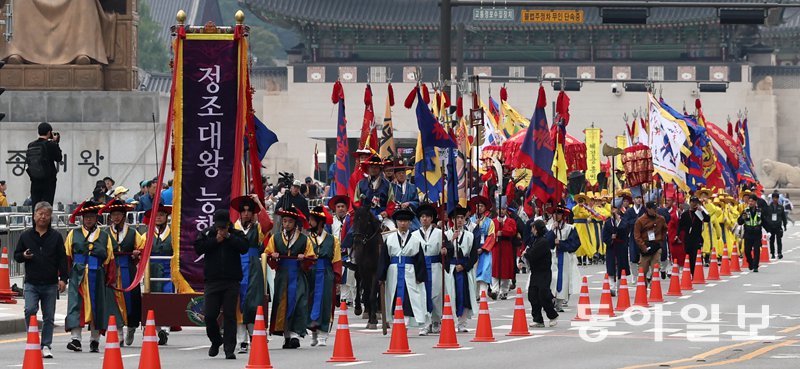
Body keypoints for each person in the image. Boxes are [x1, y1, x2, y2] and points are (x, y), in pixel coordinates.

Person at [64, 200, 121, 353]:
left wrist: (111, 278)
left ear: (97, 218)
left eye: (91, 217)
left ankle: (94, 340)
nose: (88, 219)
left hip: (98, 275)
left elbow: (109, 259)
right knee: (76, 305)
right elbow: (67, 257)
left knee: (98, 307)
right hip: (78, 275)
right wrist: (64, 277)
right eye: (86, 217)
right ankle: (75, 339)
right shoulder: (73, 234)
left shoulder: (104, 236)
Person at [13, 202, 68, 359]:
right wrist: (24, 255)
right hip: (31, 282)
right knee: (30, 310)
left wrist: (63, 278)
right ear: (34, 215)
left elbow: (62, 259)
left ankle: (46, 345)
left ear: (50, 217)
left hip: (50, 283)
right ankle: (32, 339)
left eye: (46, 214)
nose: (43, 217)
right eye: (40, 213)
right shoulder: (25, 236)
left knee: (48, 316)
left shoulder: (56, 237)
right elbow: (16, 256)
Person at [194, 209, 249, 359]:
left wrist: (229, 237)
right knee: (210, 315)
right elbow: (198, 248)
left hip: (231, 281)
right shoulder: (207, 233)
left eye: (223, 227)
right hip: (212, 281)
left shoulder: (236, 233)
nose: (221, 230)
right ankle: (216, 340)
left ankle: (229, 348)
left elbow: (244, 247)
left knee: (230, 315)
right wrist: (215, 241)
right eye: (218, 227)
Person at [264, 206, 316, 349]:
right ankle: (287, 336)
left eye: (290, 222)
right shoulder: (275, 238)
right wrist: (273, 256)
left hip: (298, 274)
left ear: (295, 224)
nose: (286, 224)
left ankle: (295, 335)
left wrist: (304, 258)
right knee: (283, 305)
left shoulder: (304, 239)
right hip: (282, 276)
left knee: (299, 303)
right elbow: (268, 255)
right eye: (284, 221)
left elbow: (311, 258)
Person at [231, 195, 272, 354]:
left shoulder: (258, 228)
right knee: (238, 303)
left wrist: (258, 203)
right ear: (240, 213)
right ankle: (242, 340)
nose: (246, 214)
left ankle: (254, 335)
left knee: (253, 302)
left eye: (249, 211)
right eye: (243, 211)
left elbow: (268, 224)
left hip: (254, 267)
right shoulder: (233, 228)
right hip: (237, 266)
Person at [102, 199, 144, 347]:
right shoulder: (105, 233)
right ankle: (118, 333)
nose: (116, 217)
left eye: (119, 214)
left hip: (128, 269)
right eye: (114, 214)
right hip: (112, 269)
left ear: (124, 216)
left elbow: (142, 248)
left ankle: (131, 327)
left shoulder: (133, 232)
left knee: (131, 299)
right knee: (113, 300)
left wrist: (136, 253)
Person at [377, 208, 427, 330]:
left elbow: (419, 259)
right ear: (396, 223)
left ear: (410, 223)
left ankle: (406, 321)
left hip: (409, 271)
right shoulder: (389, 239)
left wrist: (420, 275)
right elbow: (384, 258)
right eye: (400, 221)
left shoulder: (415, 240)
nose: (403, 224)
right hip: (393, 271)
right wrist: (381, 275)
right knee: (393, 294)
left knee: (408, 296)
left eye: (405, 221)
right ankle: (395, 320)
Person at [306, 205, 342, 347]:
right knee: (310, 301)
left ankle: (323, 335)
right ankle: (313, 333)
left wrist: (337, 279)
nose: (309, 223)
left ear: (320, 222)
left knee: (327, 302)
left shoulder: (333, 240)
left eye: (312, 220)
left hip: (326, 272)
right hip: (311, 272)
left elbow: (337, 259)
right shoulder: (307, 239)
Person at [443, 206, 478, 333]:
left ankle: (462, 322)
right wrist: (451, 241)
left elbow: (473, 255)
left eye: (462, 218)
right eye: (457, 218)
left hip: (464, 268)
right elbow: (444, 254)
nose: (459, 220)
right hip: (451, 268)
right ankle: (451, 320)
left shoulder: (470, 236)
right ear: (452, 220)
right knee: (451, 294)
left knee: (464, 294)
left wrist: (464, 266)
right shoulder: (446, 234)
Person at [143, 203, 173, 344]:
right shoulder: (147, 234)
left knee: (167, 297)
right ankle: (158, 328)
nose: (159, 218)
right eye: (157, 215)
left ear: (166, 217)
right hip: (151, 270)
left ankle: (165, 329)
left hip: (168, 271)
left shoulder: (173, 233)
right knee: (152, 299)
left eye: (161, 215)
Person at [415, 203, 446, 336]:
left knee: (436, 295)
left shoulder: (439, 233)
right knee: (423, 294)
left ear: (432, 218)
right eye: (422, 217)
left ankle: (436, 320)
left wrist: (444, 251)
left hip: (435, 265)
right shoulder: (415, 234)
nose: (425, 219)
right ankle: (425, 322)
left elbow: (447, 247)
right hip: (422, 266)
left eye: (427, 217)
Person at [525, 219, 558, 328]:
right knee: (532, 295)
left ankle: (552, 315)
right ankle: (538, 319)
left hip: (543, 273)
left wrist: (526, 253)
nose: (532, 230)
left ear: (537, 229)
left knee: (543, 295)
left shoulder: (543, 242)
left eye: (533, 227)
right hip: (535, 272)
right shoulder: (536, 240)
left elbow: (532, 254)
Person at [547, 205, 581, 312]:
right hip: (551, 256)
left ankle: (559, 302)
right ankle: (550, 298)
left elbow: (575, 243)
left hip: (564, 256)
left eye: (559, 214)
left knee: (563, 279)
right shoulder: (549, 228)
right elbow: (544, 241)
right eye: (555, 214)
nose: (556, 216)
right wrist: (552, 232)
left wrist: (560, 243)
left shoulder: (570, 228)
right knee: (551, 278)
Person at [27, 122, 62, 208]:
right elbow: (58, 158)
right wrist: (56, 143)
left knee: (35, 208)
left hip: (34, 181)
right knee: (47, 208)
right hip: (48, 182)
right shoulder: (51, 145)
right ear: (49, 132)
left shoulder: (31, 145)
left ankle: (35, 221)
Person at [328, 195, 355, 305]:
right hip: (335, 252)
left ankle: (348, 298)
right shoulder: (331, 222)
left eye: (343, 206)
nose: (340, 209)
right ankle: (337, 297)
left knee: (350, 276)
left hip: (348, 252)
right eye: (338, 206)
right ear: (335, 208)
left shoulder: (350, 220)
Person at [468, 195, 495, 299]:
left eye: (481, 206)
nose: (479, 208)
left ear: (485, 208)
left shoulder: (490, 222)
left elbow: (492, 236)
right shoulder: (470, 220)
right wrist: (475, 225)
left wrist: (483, 248)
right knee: (473, 273)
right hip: (473, 250)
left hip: (484, 250)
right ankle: (474, 295)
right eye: (477, 206)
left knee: (484, 272)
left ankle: (482, 294)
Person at [633, 201, 668, 281]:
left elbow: (665, 229)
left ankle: (653, 286)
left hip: (656, 246)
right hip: (645, 247)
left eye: (656, 209)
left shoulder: (660, 219)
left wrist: (661, 241)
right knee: (643, 271)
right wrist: (643, 246)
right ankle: (643, 286)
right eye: (653, 209)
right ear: (648, 209)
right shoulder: (640, 221)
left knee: (655, 268)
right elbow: (637, 236)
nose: (655, 210)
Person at [492, 198, 517, 300]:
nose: (501, 211)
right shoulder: (493, 221)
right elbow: (490, 233)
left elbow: (513, 231)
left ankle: (504, 290)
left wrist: (503, 229)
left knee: (505, 269)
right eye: (499, 209)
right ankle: (495, 290)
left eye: (503, 209)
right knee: (495, 268)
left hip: (506, 246)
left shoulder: (511, 221)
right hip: (496, 246)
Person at [354, 154, 392, 221]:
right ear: (368, 168)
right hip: (364, 216)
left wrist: (387, 212)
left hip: (382, 216)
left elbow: (391, 202)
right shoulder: (360, 184)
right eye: (371, 167)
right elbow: (356, 201)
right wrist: (361, 212)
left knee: (392, 229)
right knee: (352, 231)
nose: (373, 169)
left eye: (376, 167)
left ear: (380, 169)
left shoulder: (387, 184)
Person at [679, 197, 710, 274]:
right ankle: (692, 272)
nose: (694, 203)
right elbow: (680, 226)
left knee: (696, 255)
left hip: (697, 238)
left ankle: (697, 272)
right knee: (689, 256)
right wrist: (678, 235)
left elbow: (707, 219)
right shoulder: (685, 214)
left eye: (696, 202)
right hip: (688, 238)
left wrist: (702, 210)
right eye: (692, 202)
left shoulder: (699, 212)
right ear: (690, 203)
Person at [601, 206, 629, 295]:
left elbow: (625, 230)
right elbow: (604, 236)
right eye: (612, 209)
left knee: (621, 267)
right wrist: (610, 238)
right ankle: (612, 287)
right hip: (611, 247)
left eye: (616, 209)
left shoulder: (624, 221)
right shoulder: (608, 222)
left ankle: (620, 286)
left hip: (621, 246)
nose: (614, 211)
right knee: (611, 267)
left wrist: (618, 220)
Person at [738, 194, 766, 272]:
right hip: (748, 234)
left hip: (757, 234)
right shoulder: (745, 211)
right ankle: (750, 262)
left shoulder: (759, 211)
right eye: (749, 201)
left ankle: (755, 266)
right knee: (747, 251)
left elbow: (764, 222)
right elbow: (739, 222)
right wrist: (742, 218)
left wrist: (769, 231)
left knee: (757, 250)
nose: (750, 203)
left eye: (752, 201)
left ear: (755, 202)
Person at [389, 161, 420, 231]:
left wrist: (409, 203)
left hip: (409, 215)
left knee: (417, 229)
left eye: (403, 173)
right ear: (395, 175)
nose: (401, 175)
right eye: (399, 173)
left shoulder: (412, 187)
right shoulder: (391, 187)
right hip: (394, 215)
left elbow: (417, 202)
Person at [623, 193, 646, 278]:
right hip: (633, 235)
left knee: (644, 254)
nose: (639, 200)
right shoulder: (629, 211)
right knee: (633, 256)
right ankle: (634, 275)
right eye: (637, 198)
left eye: (640, 197)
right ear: (633, 200)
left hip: (644, 235)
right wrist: (636, 221)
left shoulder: (645, 210)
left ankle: (644, 274)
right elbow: (626, 222)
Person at [765, 192, 788, 260]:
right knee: (771, 241)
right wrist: (767, 226)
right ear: (772, 198)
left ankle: (779, 253)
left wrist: (785, 225)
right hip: (771, 226)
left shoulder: (781, 207)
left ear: (778, 199)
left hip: (778, 226)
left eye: (776, 198)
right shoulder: (768, 207)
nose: (775, 199)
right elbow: (766, 217)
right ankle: (772, 253)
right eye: (774, 198)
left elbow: (783, 217)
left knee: (779, 240)